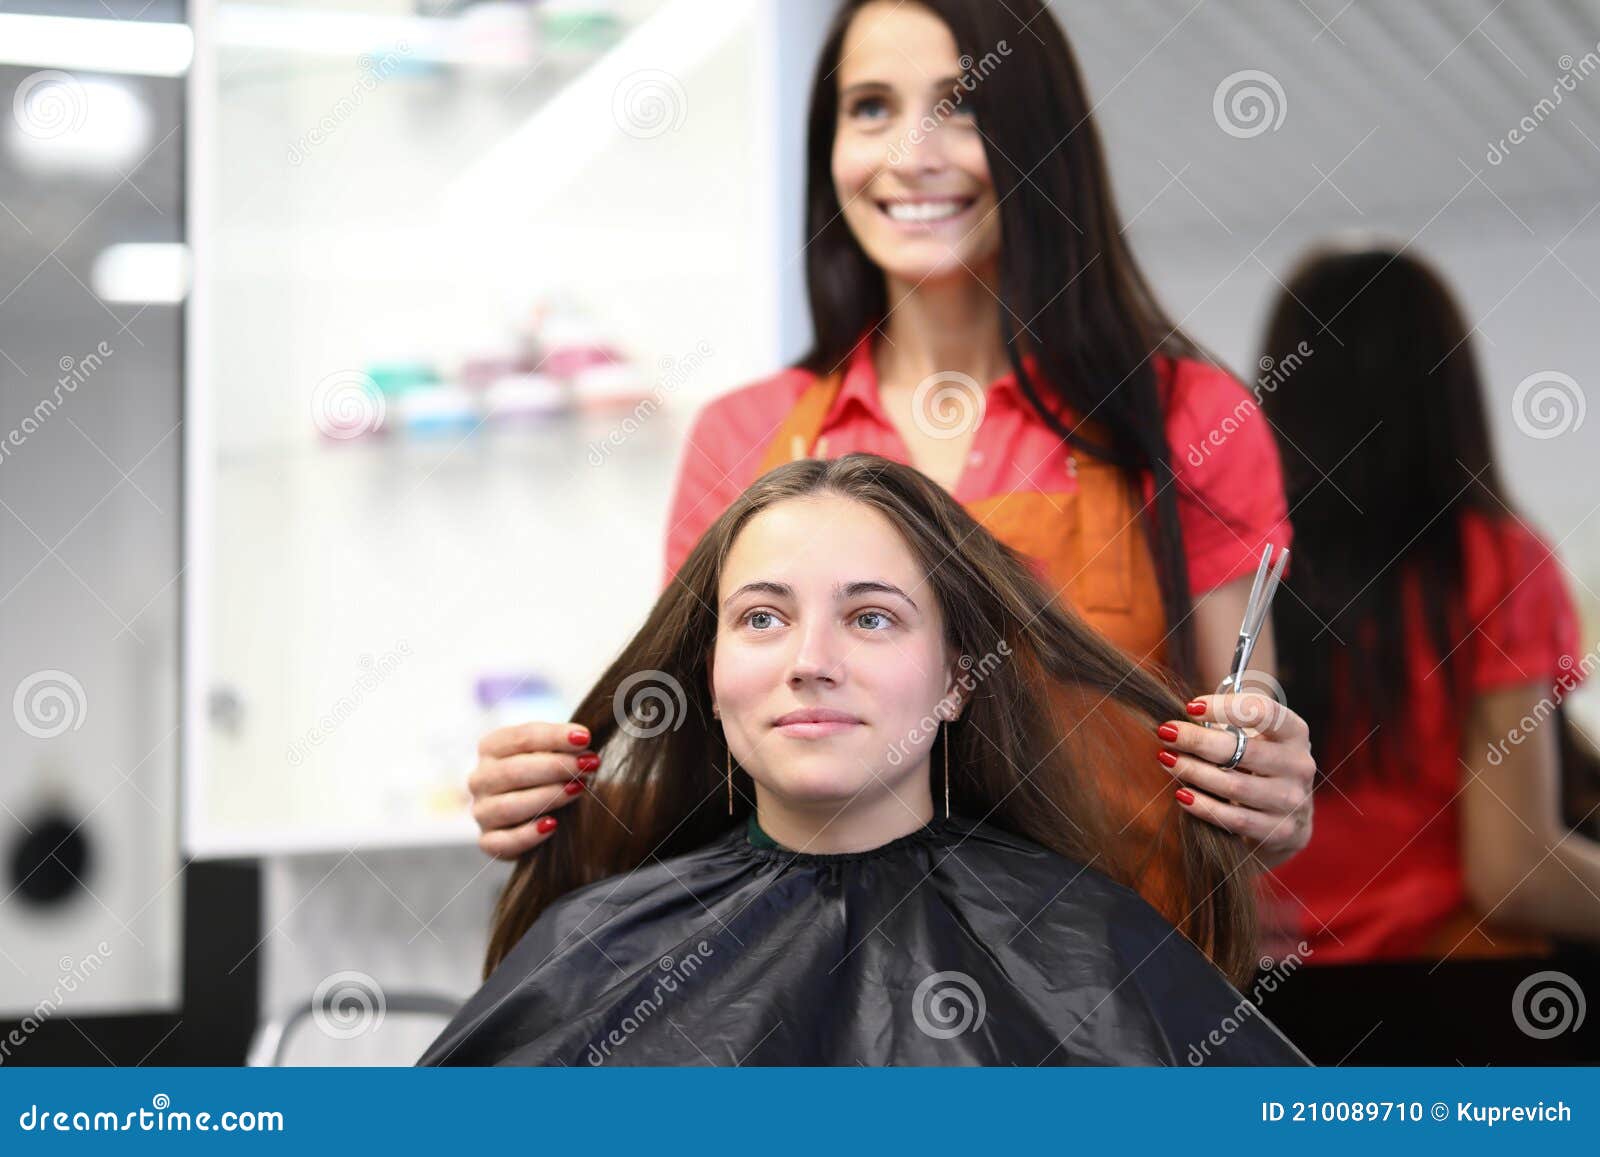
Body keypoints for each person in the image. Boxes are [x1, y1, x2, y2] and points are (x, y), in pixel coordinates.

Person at [466, 0, 1318, 937]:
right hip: (813, 1001)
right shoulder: (745, 435)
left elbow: (1241, 713)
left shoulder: (1188, 419)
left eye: (958, 103)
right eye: (870, 107)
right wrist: (557, 804)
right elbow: (695, 761)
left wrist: (1262, 780)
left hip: (1110, 1006)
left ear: (1039, 134)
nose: (909, 154)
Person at [419, 455, 1311, 1066]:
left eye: (871, 616)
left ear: (960, 675)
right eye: (762, 617)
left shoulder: (1090, 945)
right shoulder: (594, 951)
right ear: (713, 673)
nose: (811, 660)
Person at [1255, 244, 1600, 963]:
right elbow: (1515, 874)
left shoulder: (1236, 565)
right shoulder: (1495, 561)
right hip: (1445, 990)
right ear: (1448, 390)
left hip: (1240, 1000)